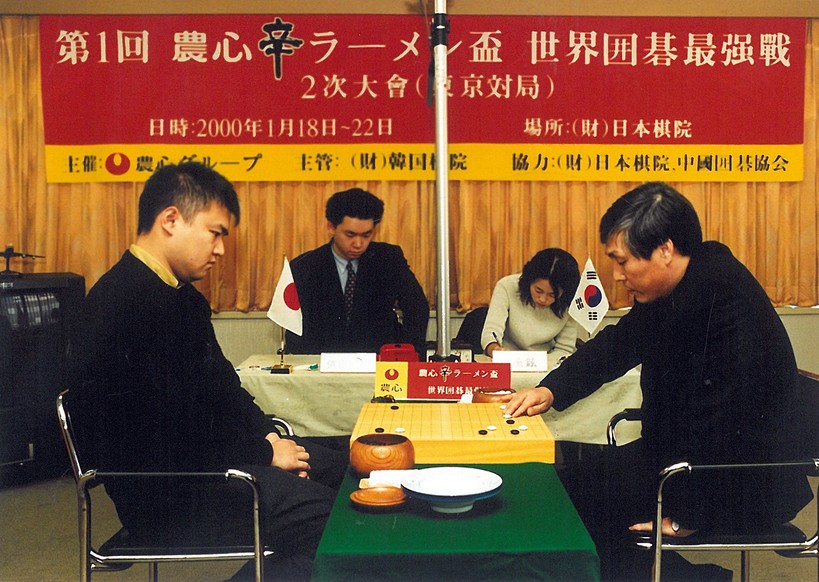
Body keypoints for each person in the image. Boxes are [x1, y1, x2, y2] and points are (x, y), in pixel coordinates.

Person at [502, 182, 813, 580]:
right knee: (562, 487)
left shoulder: (721, 294)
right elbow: (619, 343)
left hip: (735, 480)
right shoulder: (685, 281)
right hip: (682, 460)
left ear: (665, 250)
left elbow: (725, 415)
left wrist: (688, 516)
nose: (616, 276)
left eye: (622, 261)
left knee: (580, 503)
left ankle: (694, 578)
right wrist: (549, 389)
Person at [68, 162, 347, 581]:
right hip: (169, 493)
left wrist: (270, 436)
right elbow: (172, 429)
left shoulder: (180, 298)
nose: (220, 250)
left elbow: (225, 390)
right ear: (171, 220)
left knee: (347, 471)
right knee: (341, 523)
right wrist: (267, 455)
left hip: (208, 467)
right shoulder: (123, 303)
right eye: (215, 233)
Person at [285, 187, 430, 357]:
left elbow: (417, 308)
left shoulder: (388, 259)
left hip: (378, 361)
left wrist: (409, 355)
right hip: (322, 362)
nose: (358, 243)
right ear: (331, 227)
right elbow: (294, 326)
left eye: (366, 235)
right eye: (350, 235)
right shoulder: (305, 267)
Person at [480, 247, 580, 359]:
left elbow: (564, 349)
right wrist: (495, 349)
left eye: (552, 295)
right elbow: (491, 333)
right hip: (507, 358)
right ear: (529, 280)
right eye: (538, 290)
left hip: (547, 362)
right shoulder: (507, 286)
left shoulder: (569, 301)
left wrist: (541, 363)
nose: (542, 299)